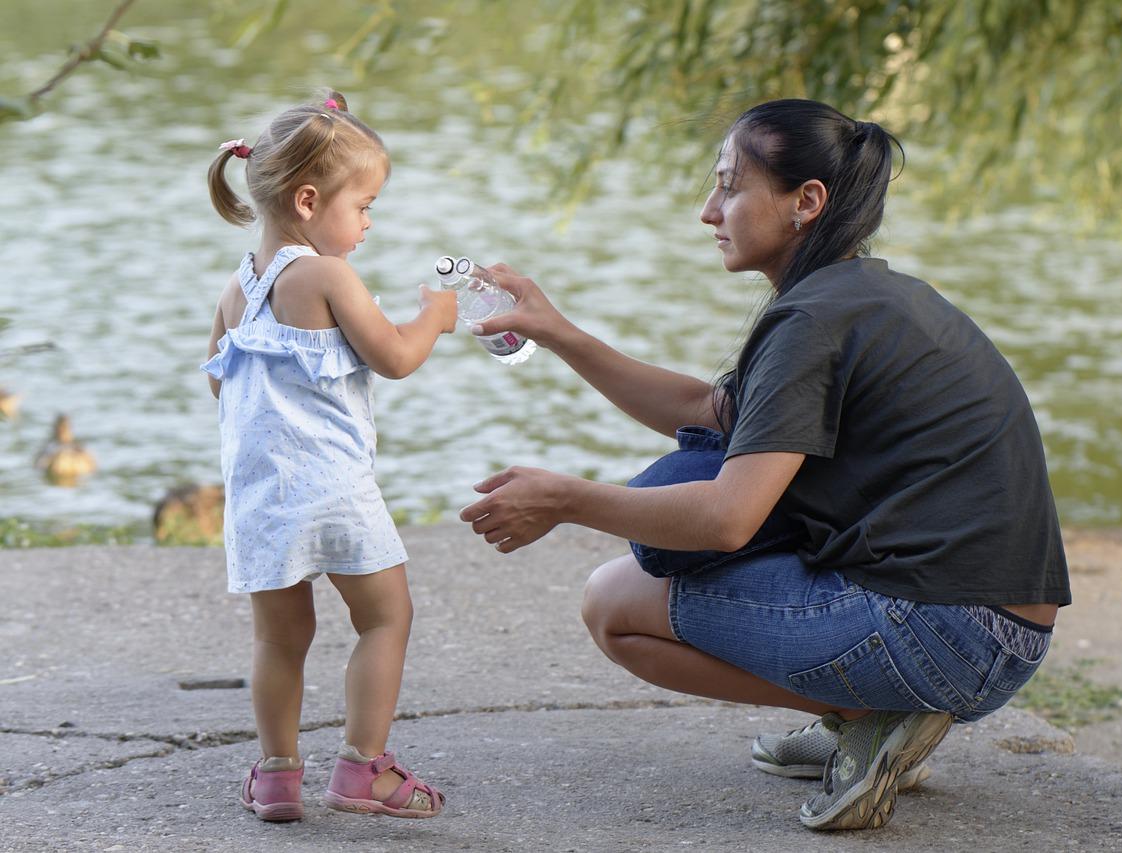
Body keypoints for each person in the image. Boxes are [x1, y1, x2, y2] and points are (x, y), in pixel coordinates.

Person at [457, 99, 1070, 831]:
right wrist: (559, 333)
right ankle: (869, 702)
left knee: (614, 604)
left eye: (730, 186)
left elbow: (726, 517)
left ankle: (866, 710)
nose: (708, 210)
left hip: (943, 635)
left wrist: (565, 499)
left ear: (806, 201)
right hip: (1004, 634)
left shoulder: (811, 319)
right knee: (674, 517)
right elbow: (707, 409)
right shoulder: (860, 295)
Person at [201, 91, 456, 822]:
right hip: (334, 488)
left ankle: (278, 775)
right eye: (365, 205)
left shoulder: (237, 289)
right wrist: (435, 315)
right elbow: (398, 356)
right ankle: (361, 767)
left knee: (279, 637)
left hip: (261, 496)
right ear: (309, 201)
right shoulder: (328, 276)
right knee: (385, 617)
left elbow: (222, 383)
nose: (370, 223)